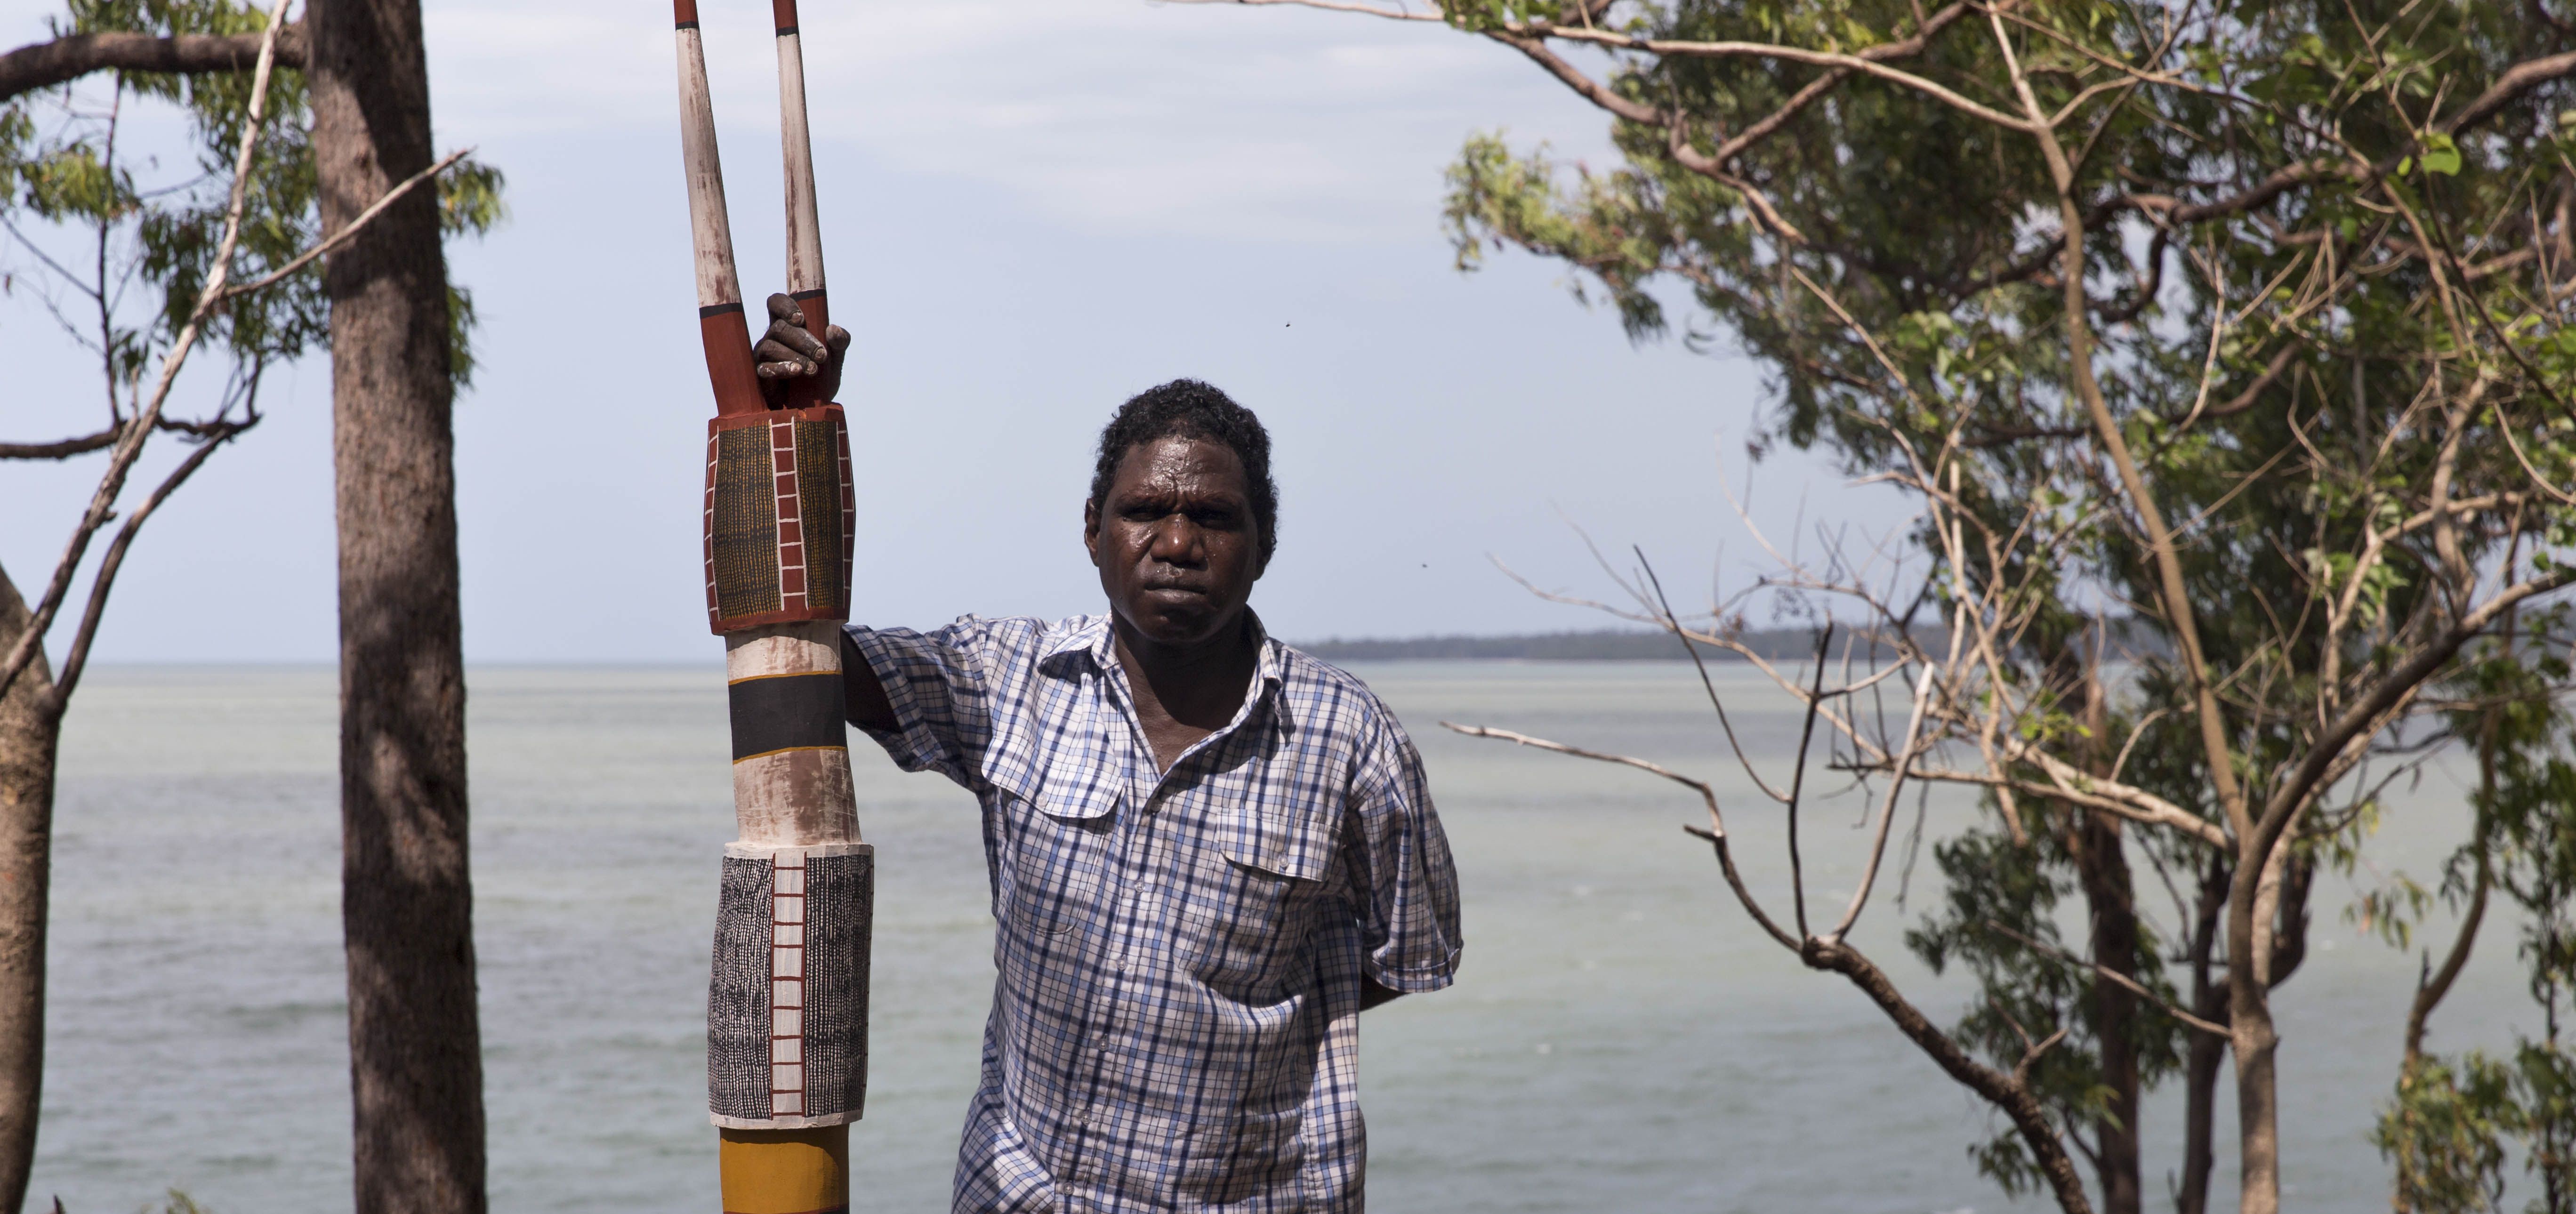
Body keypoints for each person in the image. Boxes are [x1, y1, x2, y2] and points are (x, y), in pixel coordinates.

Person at [751, 296, 1463, 1213]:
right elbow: (805, 654)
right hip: (1023, 1190)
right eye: (1145, 512)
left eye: (1212, 516)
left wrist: (1235, 1026)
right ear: (1094, 529)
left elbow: (1414, 955)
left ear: (1265, 544)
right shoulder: (1011, 680)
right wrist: (791, 436)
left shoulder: (1347, 739)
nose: (1176, 543)